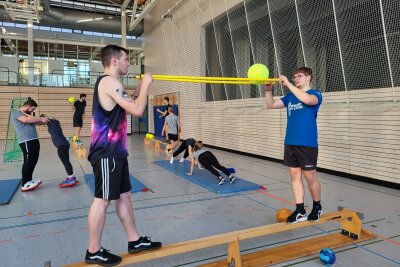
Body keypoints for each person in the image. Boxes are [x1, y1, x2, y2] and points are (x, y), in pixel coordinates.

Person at [85, 44, 161, 266]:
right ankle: (93, 250)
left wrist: (139, 87)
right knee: (103, 200)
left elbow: (131, 104)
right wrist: (146, 85)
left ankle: (134, 239)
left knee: (125, 195)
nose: (129, 63)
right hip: (107, 152)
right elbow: (138, 110)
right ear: (115, 61)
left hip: (117, 152)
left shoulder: (113, 84)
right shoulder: (109, 82)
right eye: (127, 59)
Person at [265, 67, 323, 224]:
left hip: (307, 144)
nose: (296, 79)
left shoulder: (315, 94)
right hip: (290, 142)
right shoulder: (290, 97)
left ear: (308, 78)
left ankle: (317, 207)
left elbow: (307, 100)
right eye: (294, 76)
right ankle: (300, 210)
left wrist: (288, 84)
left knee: (310, 177)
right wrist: (269, 91)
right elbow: (270, 105)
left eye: (299, 76)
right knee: (294, 176)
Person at [10, 98, 49, 192]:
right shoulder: (16, 113)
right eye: (32, 109)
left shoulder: (28, 115)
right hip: (26, 141)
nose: (33, 111)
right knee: (28, 161)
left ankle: (29, 180)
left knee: (33, 160)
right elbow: (26, 120)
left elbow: (34, 122)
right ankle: (25, 183)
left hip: (34, 140)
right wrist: (41, 118)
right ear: (27, 106)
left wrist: (43, 121)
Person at [40, 114, 78, 187]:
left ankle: (71, 177)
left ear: (45, 118)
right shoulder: (53, 123)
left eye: (42, 120)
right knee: (66, 161)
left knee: (65, 162)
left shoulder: (52, 122)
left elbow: (36, 119)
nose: (42, 123)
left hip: (61, 145)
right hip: (63, 144)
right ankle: (71, 176)